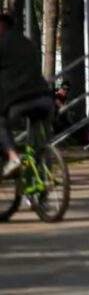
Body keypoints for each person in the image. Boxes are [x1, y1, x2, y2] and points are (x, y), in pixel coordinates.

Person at [0, 14, 53, 178]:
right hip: (45, 98)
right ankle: (41, 186)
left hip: (19, 100)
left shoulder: (2, 43)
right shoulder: (28, 43)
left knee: (1, 124)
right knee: (38, 143)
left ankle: (14, 158)